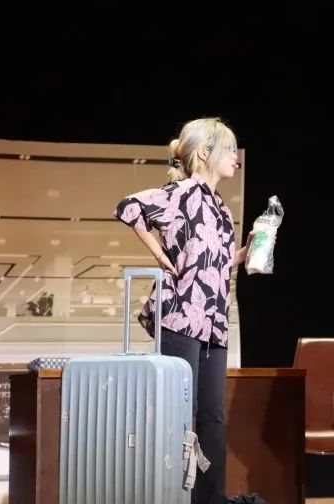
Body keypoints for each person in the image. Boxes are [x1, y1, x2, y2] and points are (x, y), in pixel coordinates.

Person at [114, 117, 255, 504]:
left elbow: (213, 264)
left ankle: (211, 498)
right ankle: (172, 495)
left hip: (213, 320)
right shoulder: (183, 193)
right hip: (181, 316)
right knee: (179, 412)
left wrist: (243, 254)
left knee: (213, 415)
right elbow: (129, 207)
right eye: (229, 149)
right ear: (206, 152)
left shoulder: (220, 207)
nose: (236, 157)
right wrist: (157, 253)